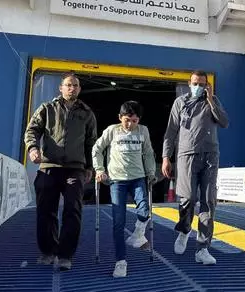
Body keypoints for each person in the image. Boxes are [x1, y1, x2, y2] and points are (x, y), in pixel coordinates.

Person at [24, 72, 97, 271]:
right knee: (46, 211)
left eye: (75, 85)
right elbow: (32, 130)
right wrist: (33, 148)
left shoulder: (87, 113)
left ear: (79, 89)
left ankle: (65, 255)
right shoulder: (47, 109)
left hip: (75, 169)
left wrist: (89, 167)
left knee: (73, 211)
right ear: (61, 88)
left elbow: (91, 142)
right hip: (49, 167)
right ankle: (48, 251)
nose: (72, 88)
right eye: (68, 85)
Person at [162, 70, 229, 265]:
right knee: (188, 198)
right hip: (187, 155)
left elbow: (224, 122)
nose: (198, 87)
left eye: (202, 84)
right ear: (189, 83)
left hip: (210, 156)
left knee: (208, 201)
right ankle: (184, 230)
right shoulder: (180, 102)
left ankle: (202, 248)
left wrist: (211, 100)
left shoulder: (212, 101)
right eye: (195, 83)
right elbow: (171, 131)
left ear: (207, 85)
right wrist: (166, 157)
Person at [92, 100, 156, 278]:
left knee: (145, 210)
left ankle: (137, 235)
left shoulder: (143, 131)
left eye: (134, 121)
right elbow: (97, 149)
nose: (130, 124)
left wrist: (151, 172)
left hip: (138, 177)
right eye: (127, 120)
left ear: (139, 120)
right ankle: (120, 262)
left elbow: (148, 153)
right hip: (117, 180)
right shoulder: (112, 130)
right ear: (120, 117)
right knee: (118, 223)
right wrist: (99, 170)